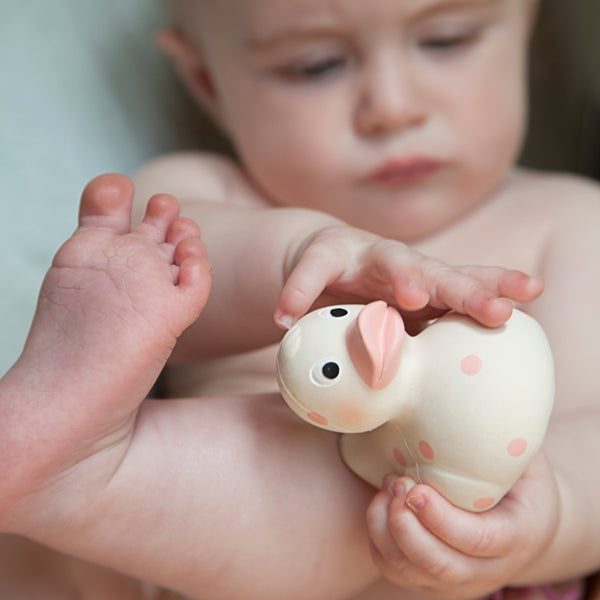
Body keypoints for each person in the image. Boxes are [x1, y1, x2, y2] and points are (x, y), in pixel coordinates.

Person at [1, 1, 599, 600]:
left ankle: (56, 480)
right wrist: (297, 254)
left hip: (456, 572)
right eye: (316, 66)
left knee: (387, 492)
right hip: (197, 542)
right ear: (208, 84)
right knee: (304, 458)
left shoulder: (568, 222)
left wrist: (549, 517)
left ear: (528, 30)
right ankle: (63, 474)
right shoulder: (206, 191)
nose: (392, 108)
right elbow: (182, 301)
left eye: (445, 40)